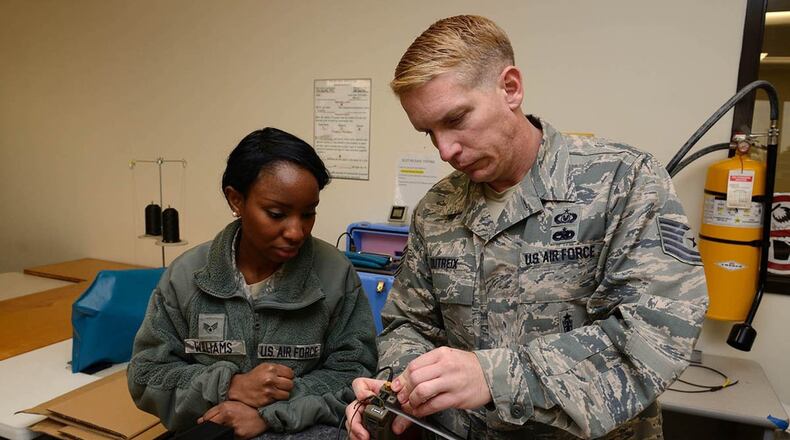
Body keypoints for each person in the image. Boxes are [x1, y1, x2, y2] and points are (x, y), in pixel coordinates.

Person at [346, 15, 707, 440]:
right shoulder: (436, 208)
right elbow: (408, 324)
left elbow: (656, 334)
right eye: (429, 132)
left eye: (457, 119)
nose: (445, 150)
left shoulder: (622, 182)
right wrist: (399, 386)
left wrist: (493, 376)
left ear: (511, 88)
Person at [128, 127, 377, 439]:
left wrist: (271, 415)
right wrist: (229, 386)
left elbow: (356, 376)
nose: (296, 231)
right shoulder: (187, 276)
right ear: (236, 200)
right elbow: (146, 374)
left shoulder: (335, 275)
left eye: (308, 213)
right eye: (276, 214)